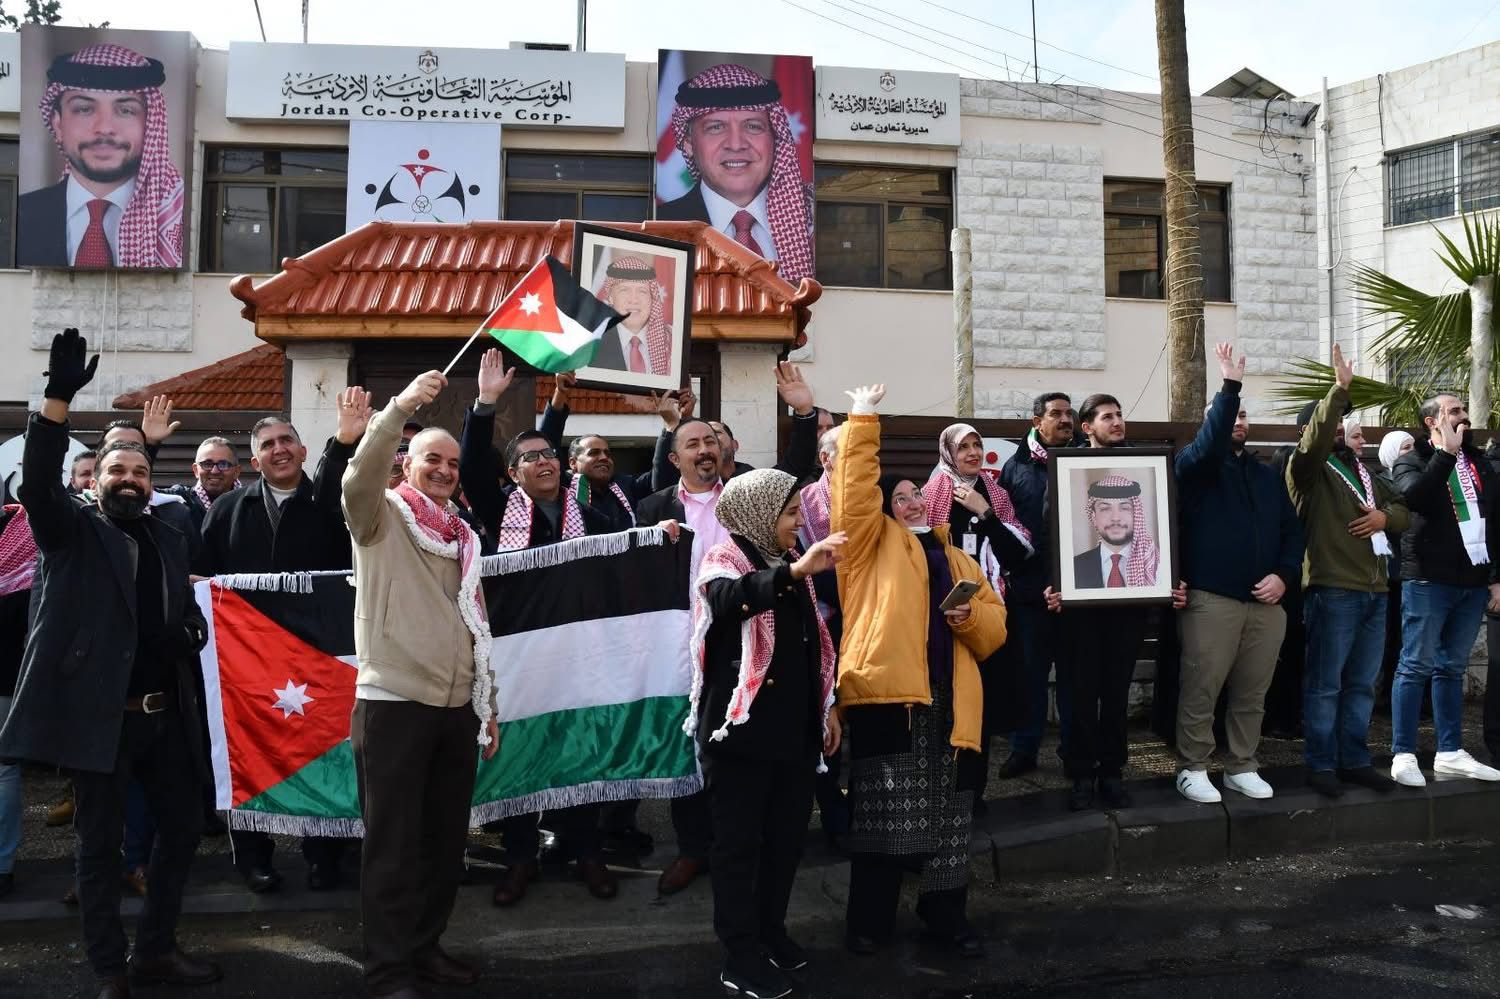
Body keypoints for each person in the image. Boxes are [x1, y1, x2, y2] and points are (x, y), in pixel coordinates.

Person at [0, 329, 218, 997]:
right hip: (100, 721)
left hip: (165, 717)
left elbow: (182, 608)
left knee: (182, 831)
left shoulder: (170, 534)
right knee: (98, 846)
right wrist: (57, 399)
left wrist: (190, 630)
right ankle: (108, 968)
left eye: (140, 472)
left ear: (152, 484)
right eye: (116, 471)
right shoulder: (70, 530)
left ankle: (155, 950)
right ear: (95, 483)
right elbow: (41, 480)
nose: (129, 479)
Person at [341, 369, 500, 998]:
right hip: (394, 705)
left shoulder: (463, 536)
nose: (444, 470)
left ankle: (424, 948)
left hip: (457, 709)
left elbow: (475, 626)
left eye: (453, 464)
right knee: (393, 848)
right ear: (405, 464)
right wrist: (401, 406)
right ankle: (388, 971)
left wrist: (487, 705)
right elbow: (358, 474)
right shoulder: (378, 516)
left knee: (442, 844)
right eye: (431, 458)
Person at [635, 363, 822, 897]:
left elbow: (792, 471)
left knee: (738, 749)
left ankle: (742, 844)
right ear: (675, 458)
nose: (704, 450)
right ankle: (694, 848)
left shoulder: (746, 494)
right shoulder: (652, 507)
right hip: (682, 643)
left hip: (749, 638)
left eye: (711, 441)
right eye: (692, 443)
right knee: (690, 744)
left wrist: (803, 413)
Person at [832, 383, 1005, 958]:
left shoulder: (957, 557)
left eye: (915, 495)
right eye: (899, 497)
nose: (911, 502)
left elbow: (996, 630)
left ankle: (944, 917)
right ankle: (869, 924)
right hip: (891, 701)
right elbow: (854, 493)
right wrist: (862, 420)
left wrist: (968, 618)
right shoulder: (867, 547)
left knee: (952, 819)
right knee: (882, 819)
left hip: (952, 703)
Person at [458, 351, 618, 907]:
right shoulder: (498, 511)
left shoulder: (593, 519)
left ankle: (588, 851)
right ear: (512, 475)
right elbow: (472, 464)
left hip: (578, 654)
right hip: (517, 654)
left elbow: (622, 564)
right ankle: (520, 857)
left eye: (550, 453)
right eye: (530, 457)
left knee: (580, 746)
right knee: (521, 751)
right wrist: (485, 403)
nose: (544, 461)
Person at [197, 406, 366, 891]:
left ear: (303, 450)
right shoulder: (225, 511)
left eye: (286, 440)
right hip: (247, 661)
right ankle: (253, 858)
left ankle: (325, 854)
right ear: (254, 462)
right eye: (268, 445)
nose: (279, 450)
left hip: (319, 655)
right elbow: (202, 575)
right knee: (249, 753)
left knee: (324, 752)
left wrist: (346, 440)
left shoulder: (332, 506)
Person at [691, 468, 844, 999]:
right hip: (740, 737)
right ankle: (739, 955)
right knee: (738, 848)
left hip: (794, 734)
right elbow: (731, 601)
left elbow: (810, 645)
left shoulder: (787, 559)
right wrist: (796, 571)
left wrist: (827, 708)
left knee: (784, 842)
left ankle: (770, 932)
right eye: (789, 513)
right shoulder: (723, 560)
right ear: (759, 514)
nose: (798, 523)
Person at [1172, 345, 1305, 804]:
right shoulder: (1193, 465)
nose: (1239, 421)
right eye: (1231, 415)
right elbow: (1209, 446)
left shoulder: (1265, 474)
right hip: (1212, 600)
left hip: (1266, 604)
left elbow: (1292, 532)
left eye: (1244, 415)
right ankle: (1192, 766)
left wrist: (1284, 575)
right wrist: (1229, 388)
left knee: (1253, 693)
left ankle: (1241, 765)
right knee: (1202, 688)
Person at [1285, 344, 1409, 797]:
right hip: (1333, 588)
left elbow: (1404, 509)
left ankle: (1354, 760)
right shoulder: (1306, 471)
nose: (1340, 428)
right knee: (1325, 685)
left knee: (1361, 684)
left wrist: (1383, 519)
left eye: (1344, 423)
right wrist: (1338, 391)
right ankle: (1321, 765)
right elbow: (1314, 443)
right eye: (1334, 422)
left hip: (1375, 590)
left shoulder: (1362, 471)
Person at [1044, 393, 1169, 811]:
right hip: (1078, 614)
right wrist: (1052, 585)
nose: (1117, 422)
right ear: (1087, 427)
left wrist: (1171, 581)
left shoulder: (1148, 564)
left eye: (1120, 415)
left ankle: (1112, 772)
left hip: (1128, 613)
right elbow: (1048, 536)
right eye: (1107, 417)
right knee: (1080, 695)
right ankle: (1081, 774)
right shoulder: (1063, 470)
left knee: (1116, 695)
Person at [1387, 394, 1500, 785]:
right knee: (1415, 665)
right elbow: (1415, 498)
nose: (1463, 416)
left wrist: (1495, 576)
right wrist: (1445, 456)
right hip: (1428, 579)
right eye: (1454, 412)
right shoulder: (1412, 459)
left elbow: (1493, 519)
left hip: (1472, 581)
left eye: (1463, 410)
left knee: (1452, 667)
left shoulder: (1478, 462)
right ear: (1432, 422)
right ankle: (1403, 753)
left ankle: (1450, 751)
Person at [923, 422, 1033, 808]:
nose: (972, 453)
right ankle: (943, 792)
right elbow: (922, 552)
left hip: (987, 611)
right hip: (945, 617)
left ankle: (973, 792)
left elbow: (1018, 553)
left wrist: (984, 512)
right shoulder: (932, 493)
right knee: (947, 705)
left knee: (982, 706)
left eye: (977, 445)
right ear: (948, 453)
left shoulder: (994, 493)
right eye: (963, 447)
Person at [19, 45, 184, 269]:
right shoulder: (21, 215)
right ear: (57, 125)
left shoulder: (178, 218)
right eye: (84, 109)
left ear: (150, 125)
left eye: (126, 111)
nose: (105, 128)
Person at [658, 63, 814, 285]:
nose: (736, 144)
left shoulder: (811, 224)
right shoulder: (662, 228)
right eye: (716, 127)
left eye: (752, 126)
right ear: (689, 143)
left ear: (775, 138)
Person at [996, 392, 1079, 778]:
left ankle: (1073, 752)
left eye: (1068, 413)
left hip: (1078, 595)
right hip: (1030, 596)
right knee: (1029, 677)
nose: (1065, 420)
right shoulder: (1015, 468)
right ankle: (1024, 750)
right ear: (1036, 422)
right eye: (1055, 414)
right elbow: (1007, 531)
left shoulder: (1085, 459)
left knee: (1075, 679)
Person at [651, 363, 821, 491]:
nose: (707, 445)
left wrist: (804, 410)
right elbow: (662, 484)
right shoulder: (686, 489)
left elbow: (796, 467)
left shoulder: (755, 486)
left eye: (714, 435)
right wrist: (673, 425)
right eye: (695, 442)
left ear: (735, 445)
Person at [0, 500, 37, 899]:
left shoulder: (23, 532)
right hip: (9, 674)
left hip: (6, 676)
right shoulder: (21, 534)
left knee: (3, 772)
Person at [590, 256, 674, 375]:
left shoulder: (672, 343)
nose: (634, 300)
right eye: (624, 290)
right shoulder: (591, 343)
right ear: (611, 297)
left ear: (652, 298)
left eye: (642, 291)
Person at [159, 436, 241, 532]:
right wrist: (150, 444)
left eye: (223, 464)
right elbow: (147, 495)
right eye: (207, 464)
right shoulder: (179, 499)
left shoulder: (250, 504)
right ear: (196, 470)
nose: (215, 471)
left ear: (237, 471)